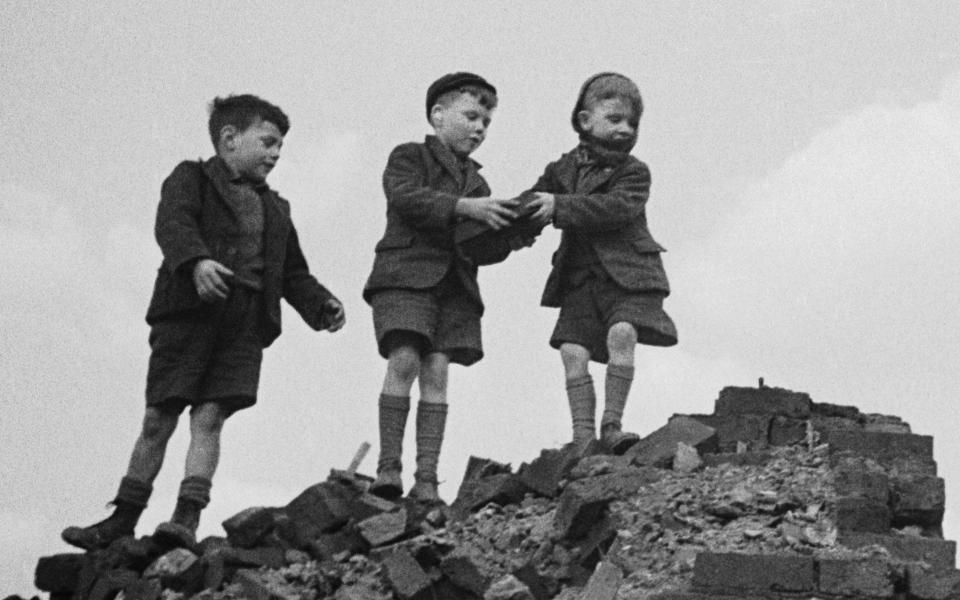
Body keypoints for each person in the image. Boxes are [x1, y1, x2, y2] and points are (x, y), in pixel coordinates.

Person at [61, 94, 345, 550]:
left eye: (280, 148)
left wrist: (321, 305)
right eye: (267, 142)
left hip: (244, 323)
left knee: (210, 416)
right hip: (189, 316)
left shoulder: (277, 209)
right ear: (230, 139)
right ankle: (122, 518)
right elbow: (172, 224)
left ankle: (185, 518)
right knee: (160, 415)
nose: (275, 154)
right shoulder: (190, 178)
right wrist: (196, 263)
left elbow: (292, 272)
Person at [363, 72, 520, 502]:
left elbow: (480, 247)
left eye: (486, 123)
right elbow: (406, 198)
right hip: (406, 276)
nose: (479, 129)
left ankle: (427, 478)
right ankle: (388, 469)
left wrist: (516, 232)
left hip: (454, 287)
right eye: (471, 116)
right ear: (438, 115)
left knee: (437, 371)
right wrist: (464, 207)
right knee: (405, 359)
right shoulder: (409, 157)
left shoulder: (479, 184)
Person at [524, 73, 677, 454]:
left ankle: (612, 425)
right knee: (572, 351)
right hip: (580, 277)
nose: (625, 129)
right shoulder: (561, 171)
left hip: (628, 276)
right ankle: (582, 439)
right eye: (615, 119)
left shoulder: (634, 172)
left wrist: (559, 206)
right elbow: (531, 205)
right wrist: (496, 223)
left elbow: (616, 207)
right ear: (584, 121)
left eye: (633, 123)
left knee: (622, 333)